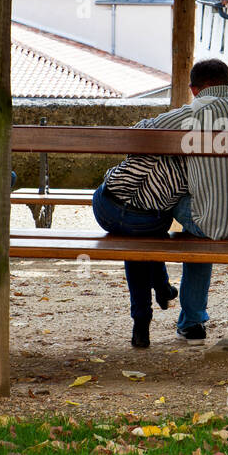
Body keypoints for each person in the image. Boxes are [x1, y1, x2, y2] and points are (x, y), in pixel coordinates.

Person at [135, 59, 228, 343]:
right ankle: (191, 320)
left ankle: (191, 319)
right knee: (198, 223)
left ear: (194, 89)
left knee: (174, 198)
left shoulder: (197, 111)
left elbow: (142, 131)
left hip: (217, 223)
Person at [91, 149, 184, 348]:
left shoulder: (152, 131)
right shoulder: (194, 153)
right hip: (144, 223)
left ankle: (144, 320)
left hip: (105, 209)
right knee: (149, 232)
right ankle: (159, 291)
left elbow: (117, 172)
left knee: (140, 240)